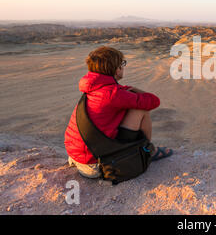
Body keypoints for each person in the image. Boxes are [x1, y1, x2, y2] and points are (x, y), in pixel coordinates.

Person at [64, 46, 172, 178]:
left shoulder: (93, 87)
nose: (123, 67)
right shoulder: (112, 94)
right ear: (116, 69)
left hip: (76, 156)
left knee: (125, 110)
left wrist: (125, 89)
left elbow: (116, 92)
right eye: (122, 64)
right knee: (141, 110)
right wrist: (135, 90)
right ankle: (147, 151)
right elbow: (154, 101)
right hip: (94, 165)